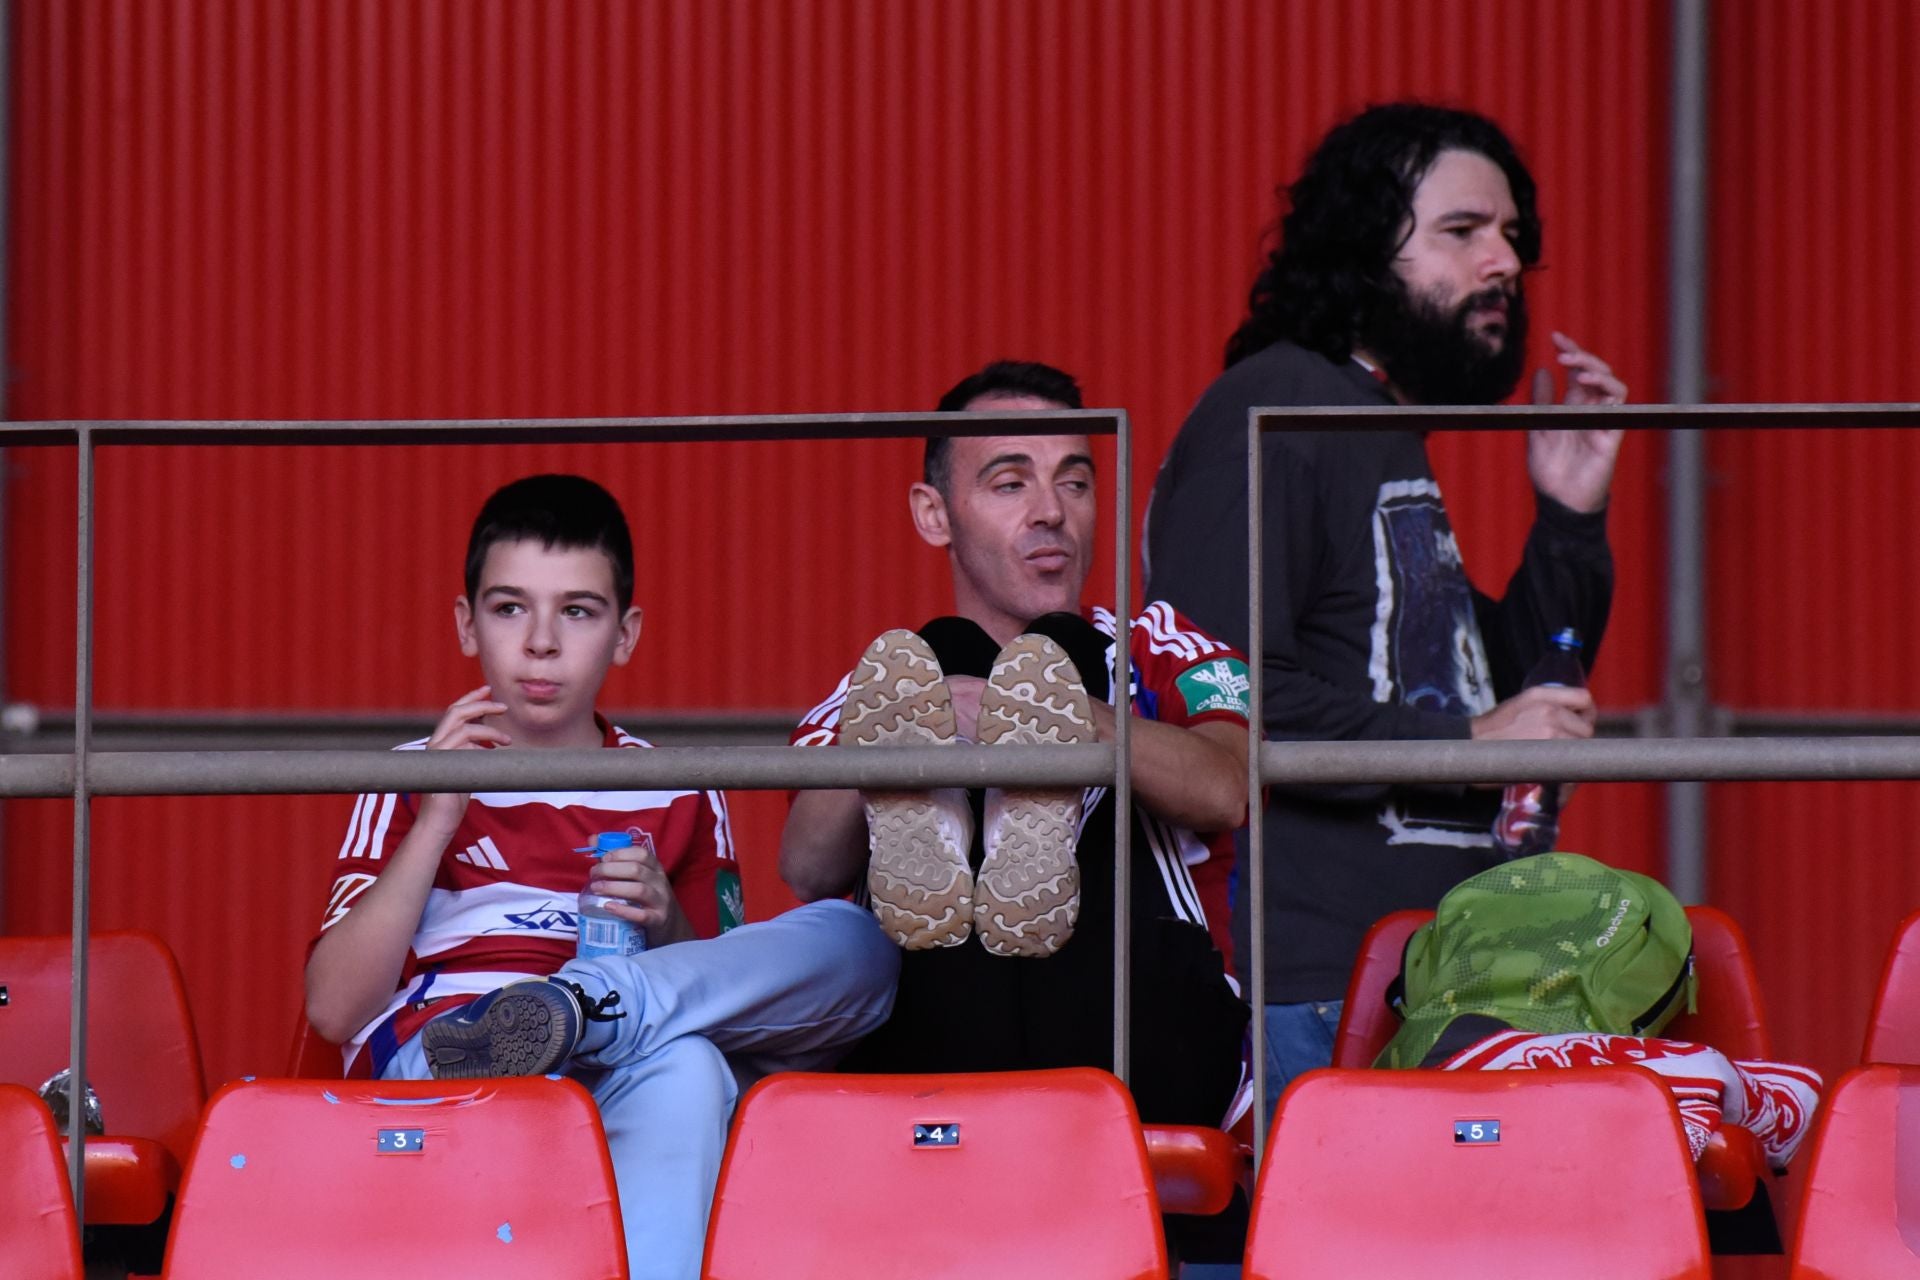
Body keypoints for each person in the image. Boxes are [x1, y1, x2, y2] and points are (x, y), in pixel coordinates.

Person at [1143, 102, 1628, 1111]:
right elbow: (1213, 693)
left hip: (1442, 976)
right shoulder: (1273, 407)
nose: (1503, 261)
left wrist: (1569, 520)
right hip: (1314, 989)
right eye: (1463, 232)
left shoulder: (1377, 427)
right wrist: (1463, 739)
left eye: (1512, 237)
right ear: (1366, 251)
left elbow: (1500, 700)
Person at [304, 474, 899, 1280]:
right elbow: (335, 1008)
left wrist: (664, 926)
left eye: (577, 611)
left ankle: (589, 1005)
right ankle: (580, 1007)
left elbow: (721, 993)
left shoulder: (679, 784)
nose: (541, 642)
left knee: (854, 942)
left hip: (617, 1057)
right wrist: (439, 814)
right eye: (510, 608)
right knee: (685, 1057)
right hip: (445, 1063)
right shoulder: (413, 774)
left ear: (626, 633)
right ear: (465, 623)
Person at [779, 360, 1252, 1140]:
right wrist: (905, 737)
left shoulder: (1157, 645)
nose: (1051, 514)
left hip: (1142, 1040)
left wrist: (1075, 720)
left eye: (1074, 483)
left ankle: (1032, 805)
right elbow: (805, 864)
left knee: (1066, 648)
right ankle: (985, 816)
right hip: (940, 1039)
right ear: (935, 514)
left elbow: (1225, 787)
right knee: (940, 651)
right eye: (1010, 484)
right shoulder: (885, 683)